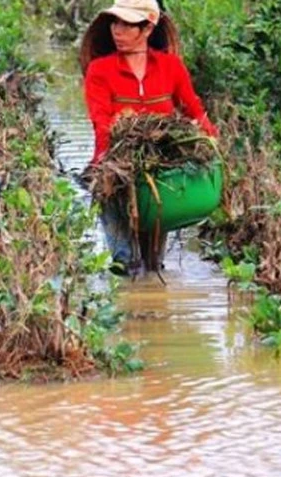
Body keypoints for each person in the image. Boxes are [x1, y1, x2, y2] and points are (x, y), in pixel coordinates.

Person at [81, 0, 218, 275]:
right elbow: (101, 121)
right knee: (126, 262)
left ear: (147, 27)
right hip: (117, 166)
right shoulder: (100, 70)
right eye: (115, 23)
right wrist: (105, 164)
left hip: (161, 171)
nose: (117, 31)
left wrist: (212, 141)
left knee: (154, 265)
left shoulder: (170, 67)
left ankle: (152, 304)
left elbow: (193, 108)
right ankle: (126, 289)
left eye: (127, 24)